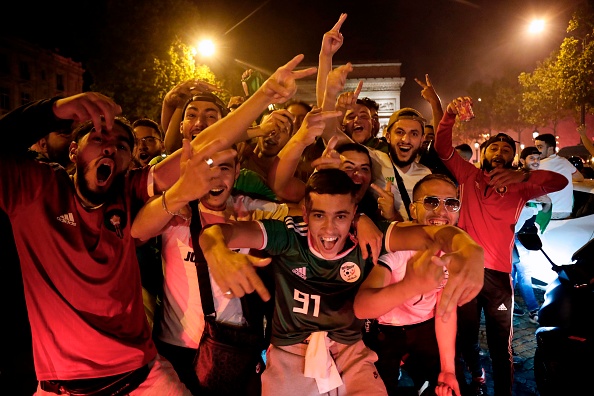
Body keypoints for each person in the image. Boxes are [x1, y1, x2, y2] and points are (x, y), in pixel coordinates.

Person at [0, 53, 317, 395]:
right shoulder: (32, 187)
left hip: (142, 376)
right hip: (60, 385)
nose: (110, 149)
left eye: (122, 145)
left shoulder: (129, 190)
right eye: (99, 139)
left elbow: (207, 145)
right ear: (74, 150)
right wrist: (54, 109)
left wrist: (265, 95)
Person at [199, 168, 484, 396]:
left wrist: (469, 247)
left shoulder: (368, 237)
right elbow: (220, 232)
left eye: (341, 216)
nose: (329, 228)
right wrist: (215, 249)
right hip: (290, 351)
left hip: (350, 351)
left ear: (354, 214)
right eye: (319, 215)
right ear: (305, 213)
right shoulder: (287, 235)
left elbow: (432, 235)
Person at [433, 96, 568, 396]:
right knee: (465, 337)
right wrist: (449, 115)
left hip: (498, 277)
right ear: (484, 153)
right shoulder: (468, 175)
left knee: (500, 344)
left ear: (512, 158)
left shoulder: (522, 186)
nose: (500, 152)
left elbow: (559, 182)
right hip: (464, 272)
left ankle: (504, 392)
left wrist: (524, 175)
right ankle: (476, 376)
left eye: (507, 149)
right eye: (494, 147)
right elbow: (443, 149)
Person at [355, 174, 464, 396]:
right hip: (383, 329)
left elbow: (446, 310)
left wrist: (448, 369)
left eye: (451, 204)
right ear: (413, 210)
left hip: (424, 326)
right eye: (431, 202)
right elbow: (363, 307)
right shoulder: (396, 244)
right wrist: (412, 285)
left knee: (445, 386)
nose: (441, 211)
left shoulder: (455, 251)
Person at [511, 147, 551, 324]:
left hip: (526, 234)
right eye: (531, 158)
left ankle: (512, 305)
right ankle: (533, 309)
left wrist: (548, 203)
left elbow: (544, 213)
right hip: (513, 234)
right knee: (521, 273)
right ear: (522, 161)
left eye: (537, 158)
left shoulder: (538, 181)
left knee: (517, 273)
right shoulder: (515, 179)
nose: (535, 161)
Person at [534, 132, 584, 219]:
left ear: (550, 148)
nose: (536, 151)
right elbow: (580, 178)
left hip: (547, 212)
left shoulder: (537, 165)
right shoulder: (565, 162)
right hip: (566, 212)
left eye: (540, 147)